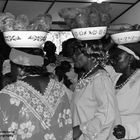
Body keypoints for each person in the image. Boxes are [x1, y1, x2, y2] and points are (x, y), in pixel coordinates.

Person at [0, 48, 73, 140]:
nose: (11, 71)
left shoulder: (8, 93)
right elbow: (67, 128)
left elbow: (5, 133)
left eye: (12, 66)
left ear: (20, 69)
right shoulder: (60, 88)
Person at [71, 40, 121, 140]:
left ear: (90, 55)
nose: (73, 57)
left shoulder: (101, 79)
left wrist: (81, 129)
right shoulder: (86, 76)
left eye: (77, 54)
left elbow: (107, 114)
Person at [109, 42, 140, 140]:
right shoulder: (114, 78)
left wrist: (128, 131)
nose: (113, 61)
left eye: (117, 58)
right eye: (112, 58)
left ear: (130, 58)